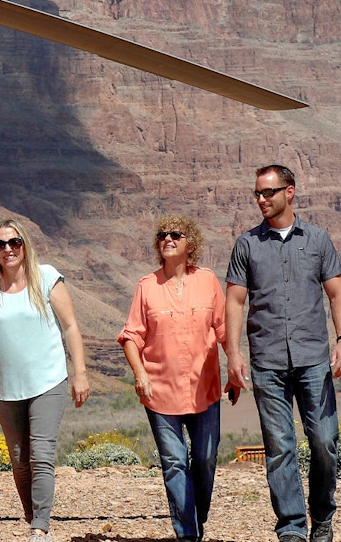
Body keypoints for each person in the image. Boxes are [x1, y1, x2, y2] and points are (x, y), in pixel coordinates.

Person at [224, 165, 341, 542]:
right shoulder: (246, 245)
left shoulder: (317, 240)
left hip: (313, 359)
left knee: (325, 443)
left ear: (290, 192)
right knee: (279, 448)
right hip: (267, 363)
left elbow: (337, 294)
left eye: (269, 192)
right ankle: (292, 529)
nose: (261, 200)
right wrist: (232, 354)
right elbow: (233, 302)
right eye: (257, 194)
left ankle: (323, 516)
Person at [0, 218, 91, 542]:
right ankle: (33, 514)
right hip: (7, 389)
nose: (7, 249)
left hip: (48, 382)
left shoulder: (47, 278)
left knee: (41, 454)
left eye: (14, 242)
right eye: (0, 244)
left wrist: (80, 373)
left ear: (25, 245)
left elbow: (70, 327)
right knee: (20, 461)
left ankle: (40, 527)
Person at [118, 216, 230, 542]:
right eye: (162, 235)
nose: (167, 238)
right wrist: (139, 375)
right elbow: (130, 337)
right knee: (175, 462)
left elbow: (224, 329)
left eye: (175, 234)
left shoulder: (207, 281)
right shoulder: (146, 287)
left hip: (204, 388)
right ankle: (188, 534)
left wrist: (236, 369)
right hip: (159, 390)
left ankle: (197, 516)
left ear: (189, 244)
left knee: (206, 458)